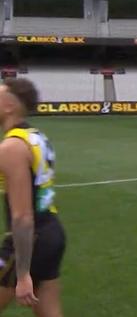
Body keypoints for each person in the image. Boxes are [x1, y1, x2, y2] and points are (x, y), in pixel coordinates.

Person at [0, 78, 65, 317]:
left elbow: (22, 216)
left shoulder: (11, 148)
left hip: (30, 240)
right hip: (52, 233)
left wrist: (23, 273)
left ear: (9, 105)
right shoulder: (36, 136)